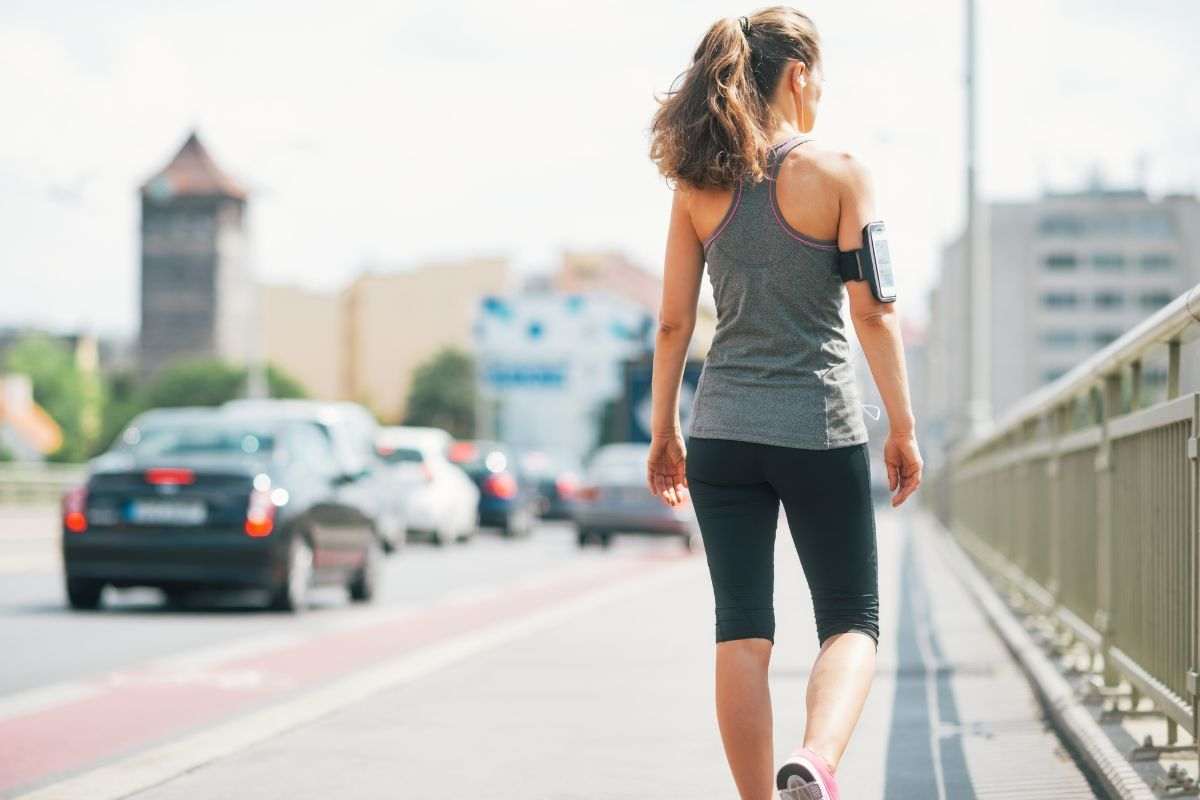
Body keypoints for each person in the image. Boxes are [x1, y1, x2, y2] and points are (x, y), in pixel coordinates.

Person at [645, 7, 923, 800]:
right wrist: (901, 428)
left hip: (723, 432)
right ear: (797, 75)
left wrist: (664, 426)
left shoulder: (697, 183)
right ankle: (818, 762)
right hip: (819, 427)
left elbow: (672, 322)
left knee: (741, 628)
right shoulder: (840, 174)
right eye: (819, 77)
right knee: (850, 619)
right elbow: (875, 312)